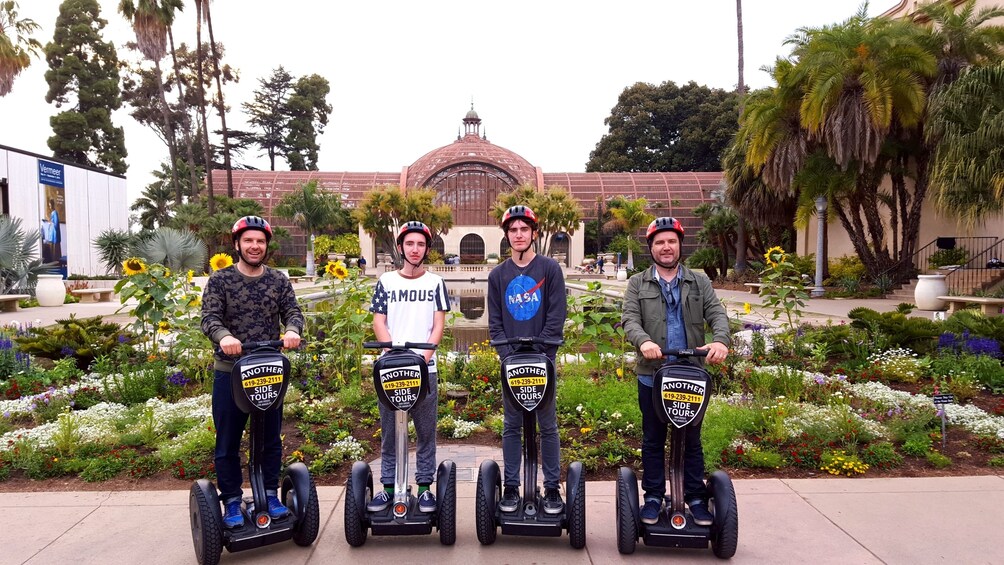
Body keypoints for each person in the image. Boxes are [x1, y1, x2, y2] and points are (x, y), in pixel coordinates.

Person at [621, 216, 730, 527]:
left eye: (671, 241)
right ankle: (653, 496)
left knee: (691, 438)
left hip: (690, 373)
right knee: (653, 438)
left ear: (680, 245)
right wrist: (643, 342)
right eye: (659, 242)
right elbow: (630, 320)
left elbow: (717, 314)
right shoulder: (637, 283)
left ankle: (696, 496)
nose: (666, 247)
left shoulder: (699, 281)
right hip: (652, 373)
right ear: (651, 249)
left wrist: (720, 341)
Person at [201, 215, 304, 529]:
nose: (255, 246)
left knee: (270, 439)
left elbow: (293, 311)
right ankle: (232, 500)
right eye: (248, 240)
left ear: (266, 245)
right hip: (230, 371)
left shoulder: (278, 280)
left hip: (267, 371)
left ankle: (270, 494)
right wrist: (225, 337)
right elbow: (209, 318)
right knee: (228, 440)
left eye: (260, 241)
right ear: (237, 244)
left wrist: (292, 330)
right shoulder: (220, 280)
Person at [487, 205, 567, 515]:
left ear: (534, 233)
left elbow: (556, 314)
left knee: (548, 426)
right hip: (512, 362)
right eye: (513, 230)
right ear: (507, 236)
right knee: (512, 426)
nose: (519, 235)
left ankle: (550, 488)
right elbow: (495, 321)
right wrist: (507, 357)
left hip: (542, 360)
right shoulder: (498, 275)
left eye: (524, 229)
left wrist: (545, 356)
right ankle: (510, 486)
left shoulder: (549, 270)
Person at [367, 221, 450, 513]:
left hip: (425, 370)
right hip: (391, 371)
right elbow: (379, 320)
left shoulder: (435, 283)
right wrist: (391, 354)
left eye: (421, 244)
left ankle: (426, 487)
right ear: (401, 247)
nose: (415, 250)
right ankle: (388, 488)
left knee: (426, 432)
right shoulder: (386, 281)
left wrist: (421, 360)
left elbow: (438, 324)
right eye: (410, 244)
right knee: (390, 432)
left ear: (427, 249)